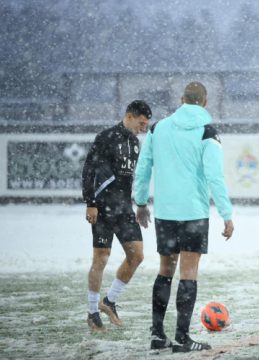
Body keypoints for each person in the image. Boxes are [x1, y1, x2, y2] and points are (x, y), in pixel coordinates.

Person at [134, 82, 234, 353]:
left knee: (165, 271)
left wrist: (141, 202)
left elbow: (144, 167)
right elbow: (215, 177)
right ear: (204, 102)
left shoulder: (158, 128)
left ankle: (157, 335)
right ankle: (181, 338)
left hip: (166, 213)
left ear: (181, 100)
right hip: (193, 213)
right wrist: (227, 214)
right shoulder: (207, 132)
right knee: (188, 273)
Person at [82, 100, 152, 332]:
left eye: (146, 124)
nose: (143, 127)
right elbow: (89, 170)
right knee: (101, 258)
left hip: (123, 209)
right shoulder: (106, 137)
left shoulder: (134, 143)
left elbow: (133, 178)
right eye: (141, 122)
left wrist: (139, 205)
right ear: (129, 116)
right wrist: (91, 202)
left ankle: (109, 301)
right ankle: (93, 312)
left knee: (137, 256)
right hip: (102, 207)